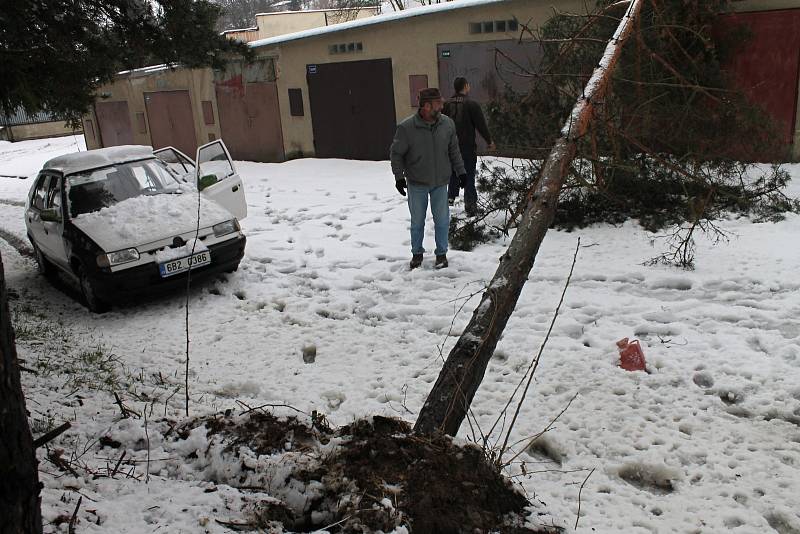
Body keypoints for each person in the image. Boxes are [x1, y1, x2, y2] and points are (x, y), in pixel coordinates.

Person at [390, 87, 466, 270]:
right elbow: (396, 154)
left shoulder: (447, 124)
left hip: (440, 182)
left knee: (442, 220)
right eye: (438, 103)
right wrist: (399, 177)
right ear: (426, 106)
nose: (442, 106)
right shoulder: (407, 128)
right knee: (417, 221)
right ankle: (417, 254)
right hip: (417, 183)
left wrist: (461, 171)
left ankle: (442, 254)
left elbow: (454, 150)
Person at [443, 77, 496, 216]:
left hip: (450, 146)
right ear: (465, 86)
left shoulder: (446, 105)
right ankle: (470, 205)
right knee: (468, 174)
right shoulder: (471, 104)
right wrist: (489, 141)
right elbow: (481, 125)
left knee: (453, 171)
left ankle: (450, 196)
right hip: (466, 146)